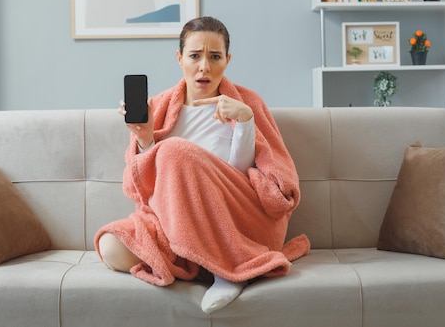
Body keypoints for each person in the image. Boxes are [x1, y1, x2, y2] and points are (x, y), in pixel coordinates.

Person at [95, 16, 310, 313]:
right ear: (180, 58)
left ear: (227, 60)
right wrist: (145, 139)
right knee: (110, 246)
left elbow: (257, 176)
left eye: (214, 57)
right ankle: (200, 258)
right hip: (176, 219)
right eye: (195, 56)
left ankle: (228, 270)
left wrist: (245, 122)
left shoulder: (246, 104)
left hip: (236, 214)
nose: (204, 67)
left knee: (175, 151)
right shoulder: (161, 107)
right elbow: (145, 188)